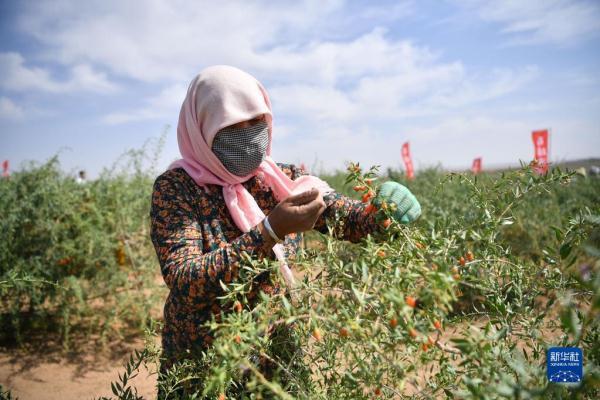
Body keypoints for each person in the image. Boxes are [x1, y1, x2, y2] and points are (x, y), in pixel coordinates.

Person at [149, 65, 421, 397]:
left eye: (257, 122)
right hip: (206, 364)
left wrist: (382, 214)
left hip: (275, 356)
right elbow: (186, 279)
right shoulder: (177, 189)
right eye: (235, 126)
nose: (250, 137)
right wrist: (269, 231)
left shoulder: (278, 179)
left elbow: (340, 215)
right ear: (203, 127)